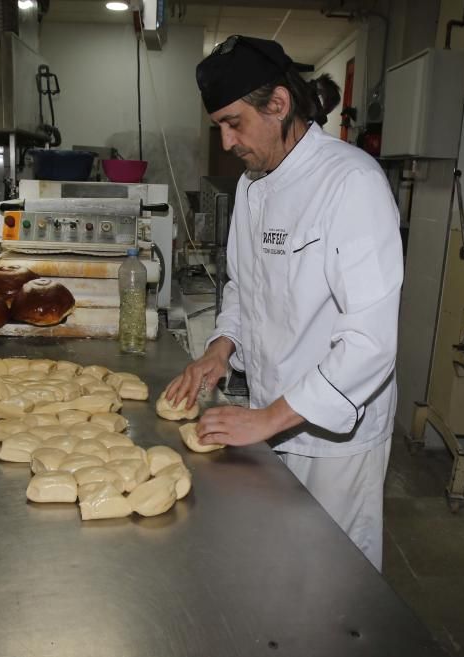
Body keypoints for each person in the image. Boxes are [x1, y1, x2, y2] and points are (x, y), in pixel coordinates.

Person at [165, 35, 403, 573]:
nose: (226, 143)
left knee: (330, 584)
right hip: (271, 414)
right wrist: (220, 350)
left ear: (278, 105)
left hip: (332, 435)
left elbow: (370, 344)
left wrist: (269, 418)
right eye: (218, 127)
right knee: (275, 569)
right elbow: (246, 289)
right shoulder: (253, 185)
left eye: (233, 123)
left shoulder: (352, 184)